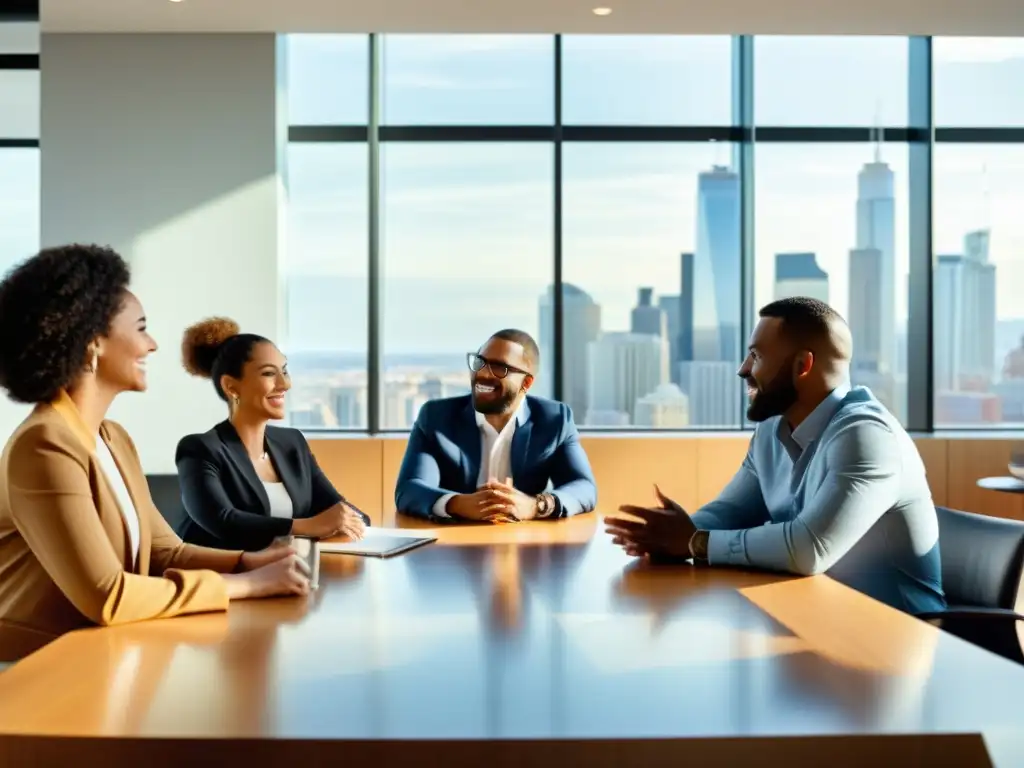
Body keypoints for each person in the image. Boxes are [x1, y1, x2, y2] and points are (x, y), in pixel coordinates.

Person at [0, 245, 311, 662]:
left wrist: (250, 562)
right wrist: (251, 586)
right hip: (36, 669)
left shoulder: (112, 438)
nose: (152, 344)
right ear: (93, 342)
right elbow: (108, 595)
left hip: (102, 655)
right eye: (141, 328)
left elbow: (165, 553)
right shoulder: (44, 446)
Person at [606, 297, 946, 615]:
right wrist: (669, 534)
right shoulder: (771, 431)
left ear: (802, 364)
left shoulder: (867, 435)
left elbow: (808, 548)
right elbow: (732, 512)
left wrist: (695, 542)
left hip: (897, 637)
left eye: (757, 356)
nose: (743, 369)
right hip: (818, 618)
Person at [176, 318, 368, 551]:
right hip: (221, 579)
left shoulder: (292, 442)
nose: (284, 384)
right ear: (231, 387)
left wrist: (355, 521)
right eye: (268, 373)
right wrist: (308, 526)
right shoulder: (200, 449)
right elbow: (225, 522)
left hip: (284, 573)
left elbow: (335, 507)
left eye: (284, 371)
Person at [395, 329, 597, 522]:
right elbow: (410, 489)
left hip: (524, 544)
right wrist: (457, 504)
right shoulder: (436, 417)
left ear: (526, 383)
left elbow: (584, 487)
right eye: (480, 362)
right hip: (451, 542)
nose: (483, 374)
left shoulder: (554, 419)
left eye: (500, 367)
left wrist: (536, 505)